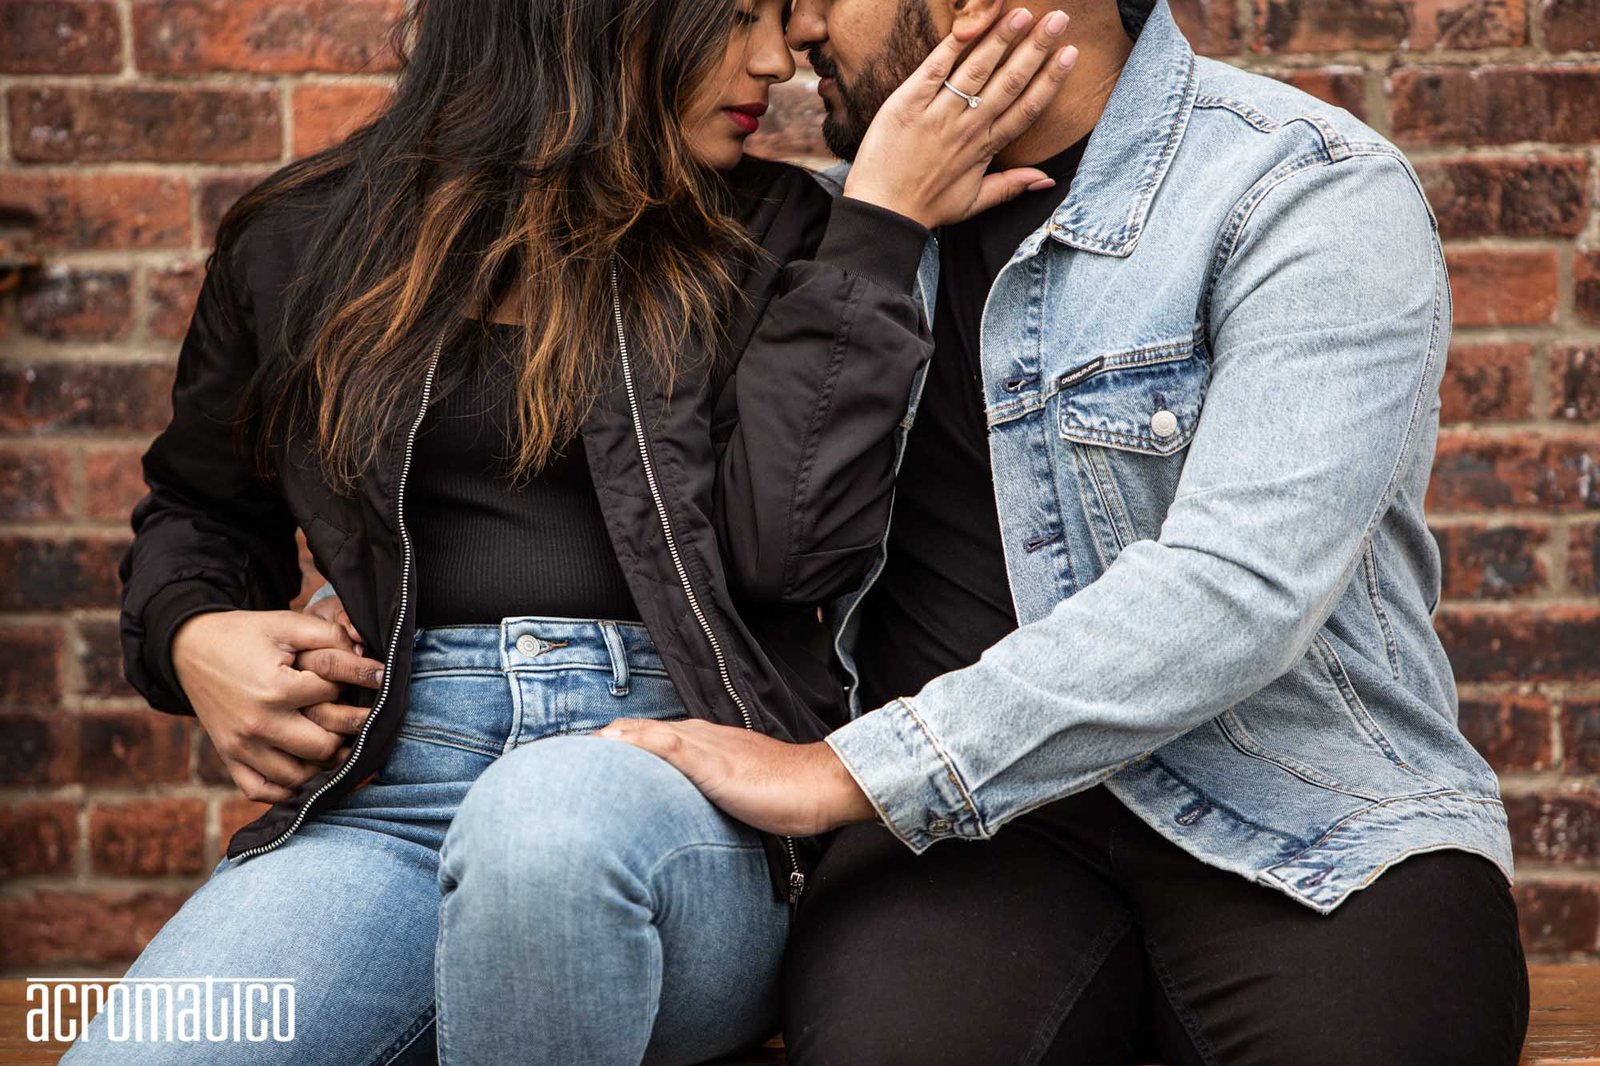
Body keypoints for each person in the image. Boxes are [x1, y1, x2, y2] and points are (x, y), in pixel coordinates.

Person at [76, 0, 1078, 1061]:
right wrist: (193, 634)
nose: (775, 62)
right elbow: (200, 508)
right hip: (394, 797)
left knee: (543, 828)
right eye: (739, 16)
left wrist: (875, 234)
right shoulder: (302, 239)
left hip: (685, 800)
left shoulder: (776, 231)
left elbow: (786, 554)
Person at [599, 0, 1532, 1062]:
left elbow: (1240, 588)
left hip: (1303, 811)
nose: (798, 25)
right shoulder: (835, 231)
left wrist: (842, 775)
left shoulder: (1298, 186)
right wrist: (877, 236)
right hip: (964, 842)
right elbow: (757, 548)